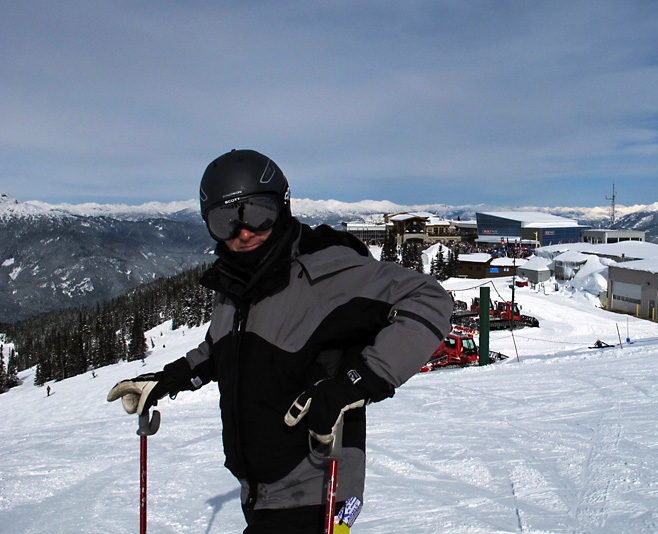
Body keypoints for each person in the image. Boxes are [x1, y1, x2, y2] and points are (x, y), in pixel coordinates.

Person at [107, 149, 452, 533]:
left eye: (257, 212)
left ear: (282, 207)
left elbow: (430, 299)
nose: (244, 231)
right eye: (225, 220)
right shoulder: (235, 282)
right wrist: (169, 379)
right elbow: (222, 346)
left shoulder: (325, 269)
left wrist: (358, 381)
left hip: (317, 487)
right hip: (260, 491)